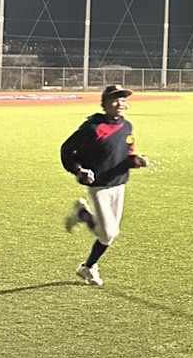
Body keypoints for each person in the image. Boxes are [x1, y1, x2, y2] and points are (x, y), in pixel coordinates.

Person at [61, 84, 148, 287]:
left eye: (122, 99)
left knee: (110, 235)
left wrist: (136, 160)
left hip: (119, 184)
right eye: (114, 100)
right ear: (104, 104)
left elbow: (126, 154)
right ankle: (83, 214)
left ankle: (88, 266)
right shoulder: (93, 128)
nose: (120, 103)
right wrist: (79, 170)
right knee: (108, 233)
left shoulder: (127, 127)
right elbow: (66, 150)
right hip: (99, 186)